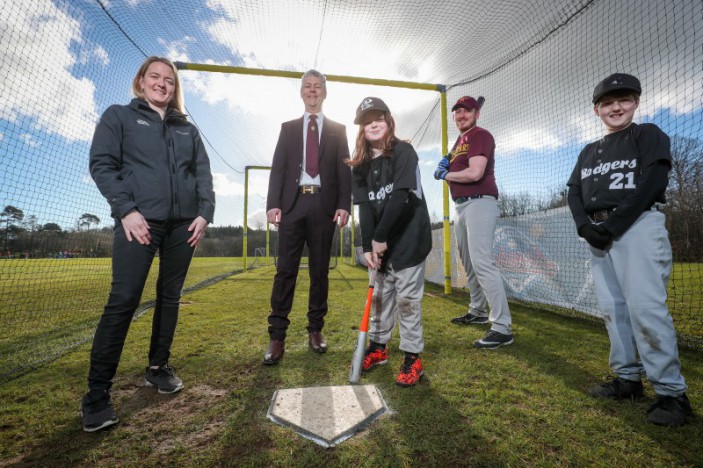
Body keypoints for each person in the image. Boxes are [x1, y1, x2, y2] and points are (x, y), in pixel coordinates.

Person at [82, 56, 215, 432]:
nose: (162, 84)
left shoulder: (187, 128)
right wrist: (126, 210)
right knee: (123, 300)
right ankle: (96, 395)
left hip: (183, 227)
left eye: (169, 81)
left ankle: (158, 367)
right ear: (140, 81)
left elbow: (203, 174)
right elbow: (102, 164)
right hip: (137, 223)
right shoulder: (119, 116)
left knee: (169, 296)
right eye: (154, 77)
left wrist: (205, 212)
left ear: (175, 89)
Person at [567, 73, 694, 426]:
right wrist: (585, 228)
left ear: (636, 102)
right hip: (599, 234)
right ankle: (627, 379)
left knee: (645, 309)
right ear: (597, 110)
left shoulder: (646, 134)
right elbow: (574, 192)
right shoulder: (589, 151)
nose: (616, 107)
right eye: (607, 103)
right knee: (612, 309)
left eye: (623, 100)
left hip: (637, 226)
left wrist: (613, 225)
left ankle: (671, 394)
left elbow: (654, 181)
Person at [263, 70, 352, 365]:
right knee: (285, 271)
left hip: (324, 206)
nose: (312, 91)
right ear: (301, 93)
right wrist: (273, 203)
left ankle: (316, 330)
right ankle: (277, 336)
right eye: (307, 87)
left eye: (317, 87)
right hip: (292, 204)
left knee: (319, 271)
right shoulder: (287, 128)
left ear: (324, 93)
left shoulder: (338, 129)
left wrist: (344, 204)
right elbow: (278, 168)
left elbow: (344, 171)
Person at [348, 97, 432, 387]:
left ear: (388, 120)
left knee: (407, 300)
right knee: (381, 298)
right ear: (361, 128)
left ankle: (412, 358)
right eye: (366, 120)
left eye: (378, 117)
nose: (373, 123)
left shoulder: (404, 152)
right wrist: (369, 247)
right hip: (382, 239)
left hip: (409, 235)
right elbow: (364, 208)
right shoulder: (359, 166)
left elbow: (400, 197)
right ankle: (379, 349)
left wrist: (380, 238)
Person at [434, 96, 513, 349]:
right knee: (468, 263)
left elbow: (475, 172)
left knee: (482, 263)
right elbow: (456, 160)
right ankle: (477, 310)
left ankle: (502, 327)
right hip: (461, 206)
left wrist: (446, 173)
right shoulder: (460, 141)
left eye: (466, 111)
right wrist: (447, 159)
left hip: (480, 202)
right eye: (457, 112)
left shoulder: (481, 135)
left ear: (476, 113)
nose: (461, 115)